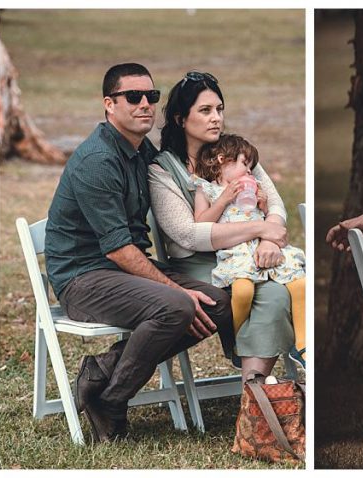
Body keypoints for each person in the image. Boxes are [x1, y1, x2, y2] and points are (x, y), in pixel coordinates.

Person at [45, 63, 233, 442]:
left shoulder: (140, 148)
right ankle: (111, 402)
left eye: (152, 96)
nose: (145, 104)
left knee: (219, 301)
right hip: (84, 278)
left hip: (125, 269)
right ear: (109, 104)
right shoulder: (97, 161)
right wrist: (178, 291)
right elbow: (117, 250)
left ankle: (102, 372)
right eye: (133, 96)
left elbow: (178, 172)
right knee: (178, 305)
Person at [149, 71, 296, 377]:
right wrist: (260, 230)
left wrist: (270, 240)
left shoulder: (233, 154)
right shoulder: (162, 170)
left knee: (276, 293)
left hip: (251, 252)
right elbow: (188, 234)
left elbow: (275, 203)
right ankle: (259, 398)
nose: (216, 118)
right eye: (205, 111)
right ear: (180, 119)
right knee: (257, 292)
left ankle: (252, 400)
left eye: (219, 109)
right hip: (199, 264)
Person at [191, 134, 307, 367]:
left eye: (251, 167)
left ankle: (303, 345)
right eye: (245, 164)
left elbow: (268, 220)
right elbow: (201, 224)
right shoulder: (206, 190)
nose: (250, 172)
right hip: (235, 252)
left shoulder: (255, 186)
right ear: (223, 160)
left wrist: (263, 205)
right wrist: (223, 200)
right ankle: (236, 341)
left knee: (300, 284)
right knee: (243, 291)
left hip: (263, 247)